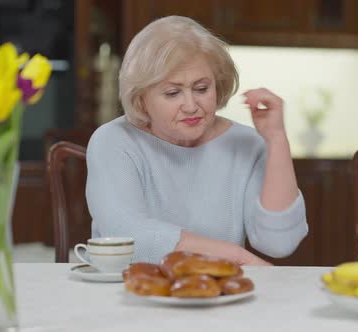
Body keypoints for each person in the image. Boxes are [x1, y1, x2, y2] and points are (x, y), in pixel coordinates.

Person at [86, 15, 308, 265]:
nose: (191, 106)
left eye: (202, 89)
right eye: (173, 93)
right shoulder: (113, 141)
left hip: (219, 297)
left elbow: (279, 244)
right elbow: (127, 236)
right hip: (127, 294)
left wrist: (276, 140)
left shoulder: (246, 144)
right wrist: (234, 255)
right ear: (141, 98)